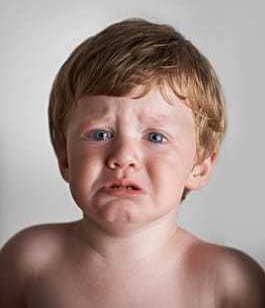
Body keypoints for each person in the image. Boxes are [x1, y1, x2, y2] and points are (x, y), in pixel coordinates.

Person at [0, 18, 264, 307]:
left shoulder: (230, 282)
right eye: (100, 134)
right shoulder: (29, 260)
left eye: (155, 137)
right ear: (64, 158)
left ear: (199, 167)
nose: (123, 156)